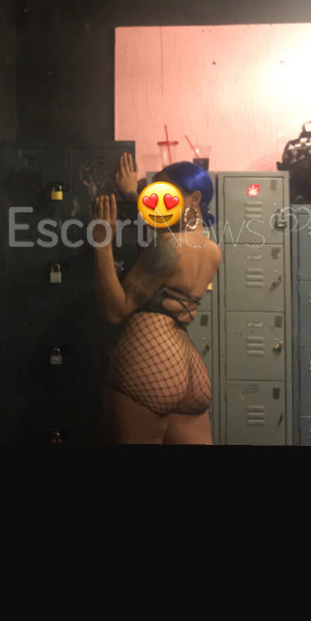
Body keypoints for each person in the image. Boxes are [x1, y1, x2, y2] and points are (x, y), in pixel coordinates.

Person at [91, 156, 221, 444]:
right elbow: (165, 229)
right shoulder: (211, 249)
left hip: (150, 358)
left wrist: (102, 244)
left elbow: (115, 310)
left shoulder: (167, 246)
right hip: (188, 366)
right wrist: (131, 194)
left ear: (194, 198)